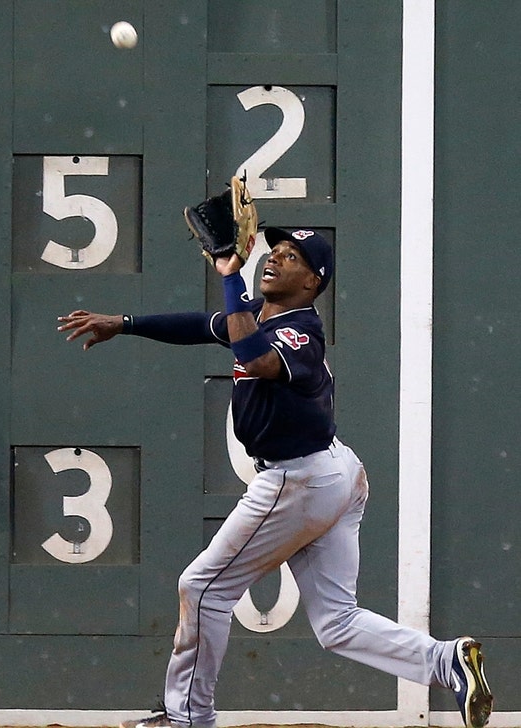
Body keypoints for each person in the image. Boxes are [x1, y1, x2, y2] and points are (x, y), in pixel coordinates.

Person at [57, 228, 493, 728]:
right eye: (277, 251)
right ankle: (446, 661)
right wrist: (124, 323)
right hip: (331, 472)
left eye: (293, 258)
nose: (277, 258)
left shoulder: (300, 332)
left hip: (299, 480)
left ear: (312, 282)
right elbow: (201, 325)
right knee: (337, 622)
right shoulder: (258, 318)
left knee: (203, 589)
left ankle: (187, 717)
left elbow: (256, 357)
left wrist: (229, 275)